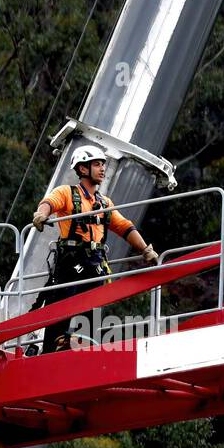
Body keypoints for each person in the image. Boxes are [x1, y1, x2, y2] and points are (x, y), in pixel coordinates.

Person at [30, 144, 159, 353]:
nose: (102, 169)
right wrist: (41, 214)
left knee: (92, 308)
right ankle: (54, 347)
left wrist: (145, 250)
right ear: (82, 169)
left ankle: (83, 346)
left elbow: (124, 226)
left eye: (102, 165)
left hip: (95, 263)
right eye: (97, 164)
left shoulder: (104, 203)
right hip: (71, 262)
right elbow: (49, 202)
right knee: (62, 306)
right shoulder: (67, 193)